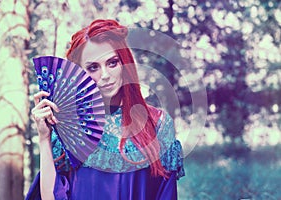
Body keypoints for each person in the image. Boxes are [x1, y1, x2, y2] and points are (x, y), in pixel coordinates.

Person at [26, 19, 185, 200]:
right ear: (79, 72)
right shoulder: (65, 127)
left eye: (112, 63)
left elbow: (165, 193)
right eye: (93, 67)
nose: (105, 75)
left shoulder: (158, 123)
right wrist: (44, 138)